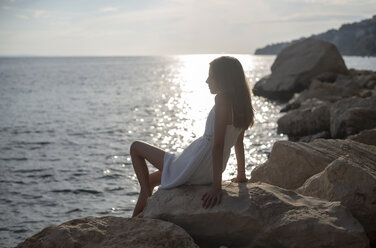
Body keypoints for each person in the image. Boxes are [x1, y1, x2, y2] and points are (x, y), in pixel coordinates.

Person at [130, 56, 254, 217]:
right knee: (152, 180)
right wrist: (241, 175)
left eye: (211, 76)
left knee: (135, 147)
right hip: (207, 168)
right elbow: (239, 142)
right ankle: (139, 212)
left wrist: (217, 188)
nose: (207, 80)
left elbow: (217, 146)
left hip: (198, 162)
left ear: (223, 79)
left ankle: (146, 201)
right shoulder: (242, 103)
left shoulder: (222, 99)